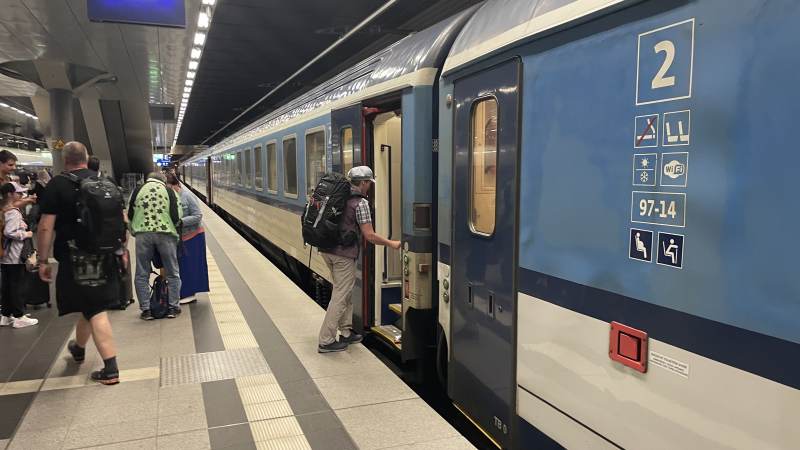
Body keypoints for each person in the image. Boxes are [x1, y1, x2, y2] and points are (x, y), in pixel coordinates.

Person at [37, 141, 124, 385]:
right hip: (104, 254)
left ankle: (110, 367)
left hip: (76, 258)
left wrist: (43, 260)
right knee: (91, 304)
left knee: (95, 309)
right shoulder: (105, 183)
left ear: (65, 160)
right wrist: (122, 250)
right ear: (86, 158)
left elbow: (45, 226)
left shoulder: (58, 185)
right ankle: (78, 347)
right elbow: (120, 219)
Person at [318, 166, 401, 353]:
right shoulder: (360, 203)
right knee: (340, 295)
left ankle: (345, 332)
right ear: (363, 183)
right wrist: (392, 243)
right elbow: (369, 235)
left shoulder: (338, 195)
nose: (369, 187)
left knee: (343, 291)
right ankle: (326, 340)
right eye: (369, 183)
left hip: (327, 250)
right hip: (343, 255)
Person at [129, 172, 182, 319]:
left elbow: (130, 214)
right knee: (172, 272)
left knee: (142, 272)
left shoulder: (138, 190)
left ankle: (146, 310)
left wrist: (134, 231)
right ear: (163, 181)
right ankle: (173, 307)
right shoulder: (169, 191)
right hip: (166, 234)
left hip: (143, 234)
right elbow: (177, 215)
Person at [166, 174, 208, 304]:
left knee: (191, 266)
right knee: (183, 266)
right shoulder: (172, 198)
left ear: (176, 185)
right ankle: (184, 292)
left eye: (170, 187)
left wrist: (181, 221)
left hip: (194, 235)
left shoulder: (187, 196)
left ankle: (190, 293)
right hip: (182, 237)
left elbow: (198, 215)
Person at [0, 182, 37, 328]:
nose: (21, 195)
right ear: (10, 194)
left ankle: (6, 315)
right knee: (17, 286)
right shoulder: (14, 212)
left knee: (7, 286)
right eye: (19, 193)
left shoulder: (3, 209)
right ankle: (18, 316)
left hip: (4, 255)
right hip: (14, 255)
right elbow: (9, 232)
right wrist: (26, 233)